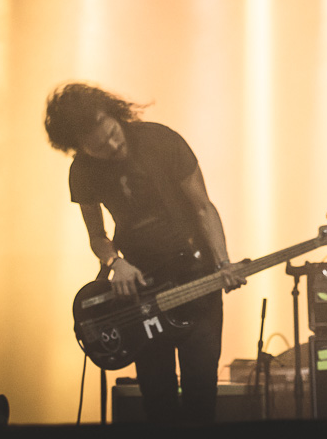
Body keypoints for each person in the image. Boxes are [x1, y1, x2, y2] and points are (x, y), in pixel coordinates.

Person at [45, 83, 244, 426]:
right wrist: (116, 263)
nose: (112, 146)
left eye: (112, 133)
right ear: (78, 147)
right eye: (98, 147)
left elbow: (203, 208)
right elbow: (97, 236)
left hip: (196, 280)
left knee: (201, 398)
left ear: (113, 114)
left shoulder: (161, 140)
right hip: (141, 294)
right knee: (157, 402)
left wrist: (223, 262)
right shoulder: (81, 172)